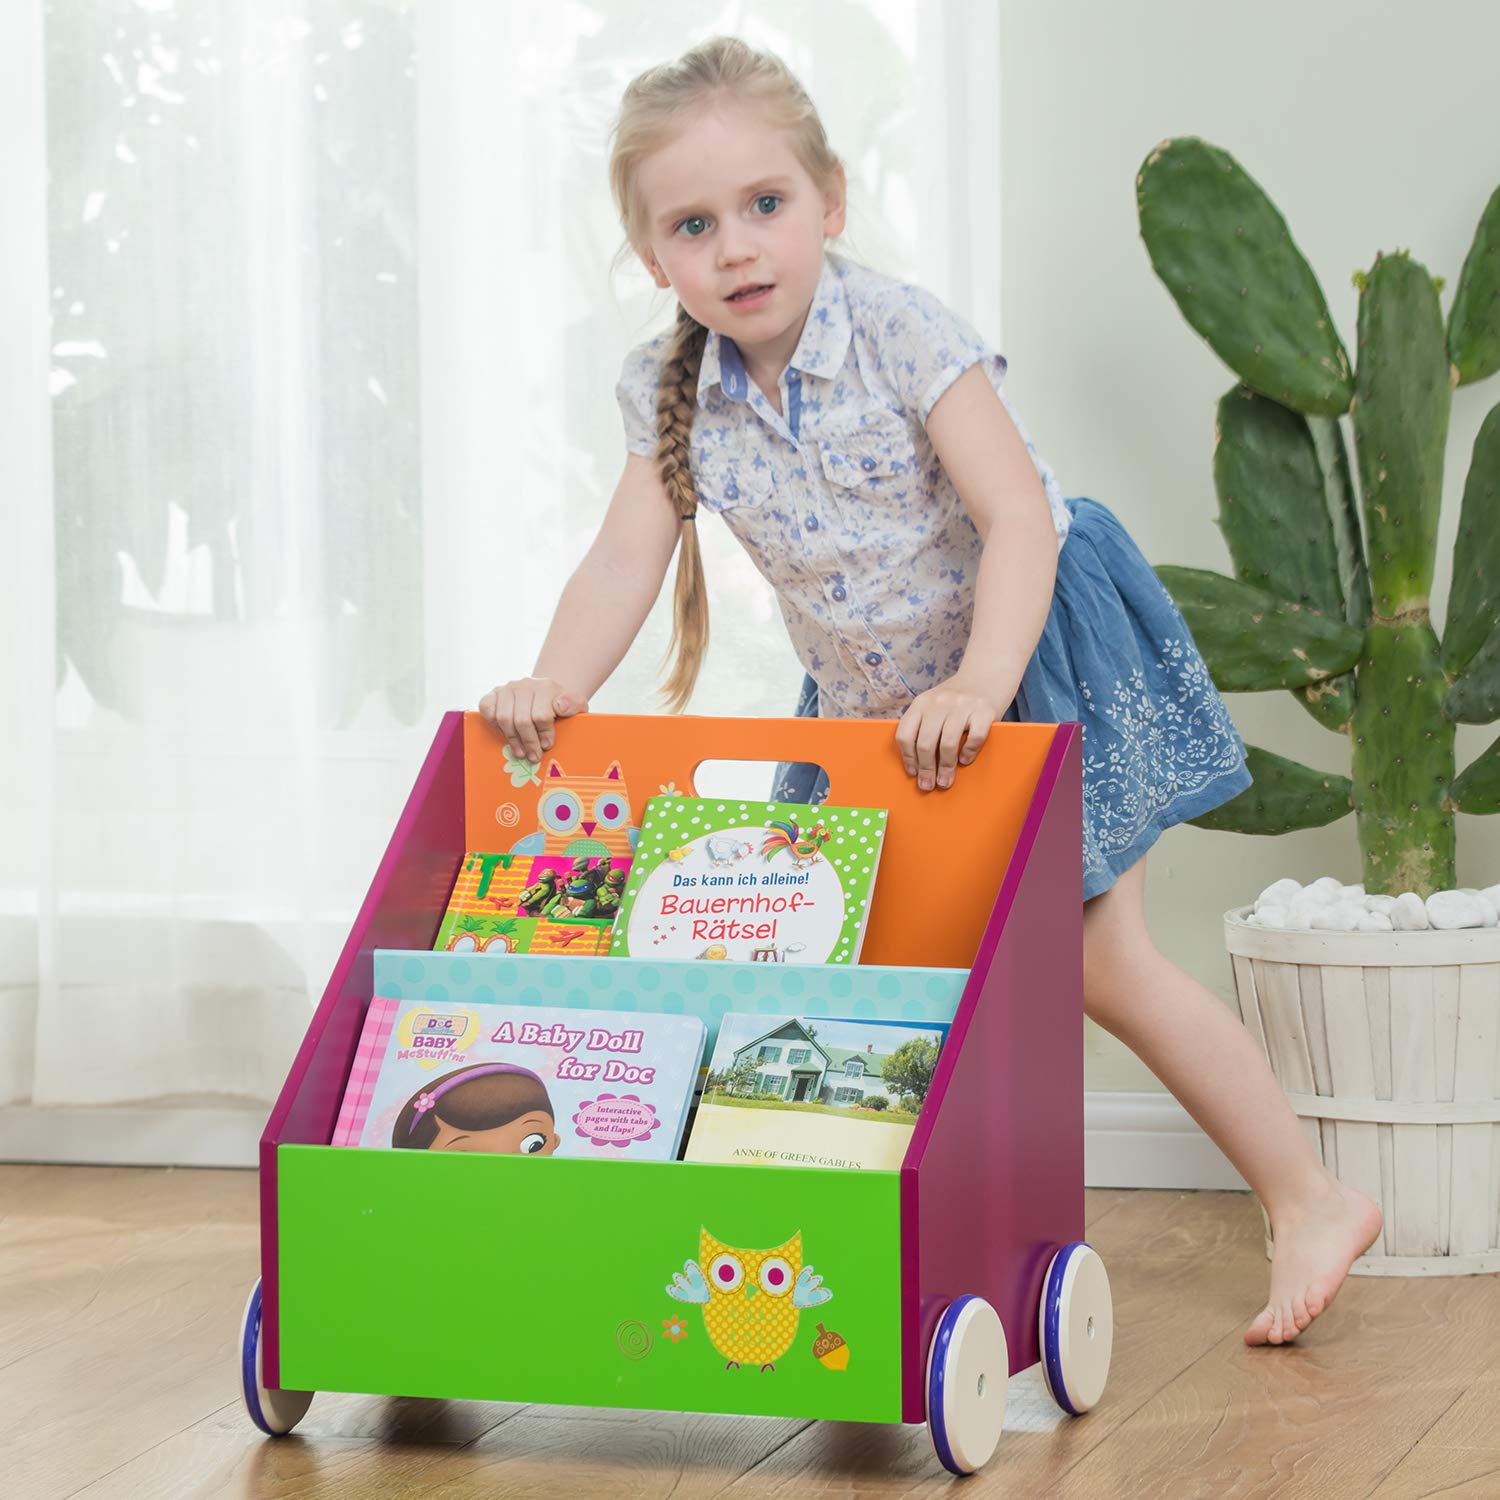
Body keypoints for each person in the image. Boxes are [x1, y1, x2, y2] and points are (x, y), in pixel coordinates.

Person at [479, 35, 1382, 1345]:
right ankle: (864, 1232)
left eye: (765, 206)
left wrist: (981, 680)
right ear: (652, 256)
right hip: (871, 704)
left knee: (1100, 963)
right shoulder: (673, 390)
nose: (737, 247)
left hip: (1028, 650)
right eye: (694, 224)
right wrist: (557, 683)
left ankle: (1308, 1194)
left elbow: (1016, 516)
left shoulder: (902, 334)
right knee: (856, 963)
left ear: (828, 202)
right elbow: (630, 551)